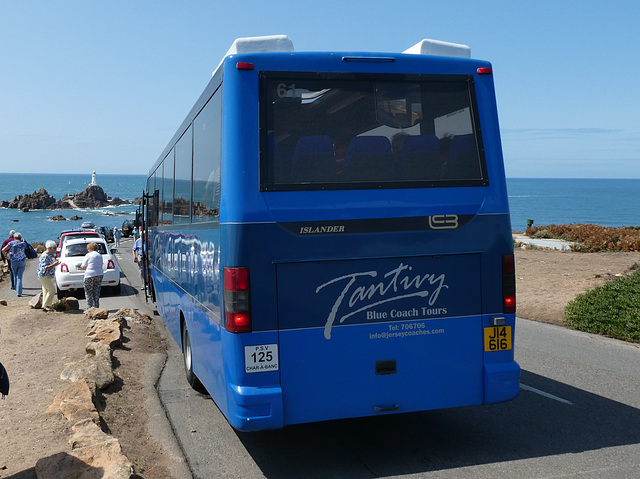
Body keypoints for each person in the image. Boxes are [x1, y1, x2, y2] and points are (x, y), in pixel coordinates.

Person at [77, 242, 104, 310]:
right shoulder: (100, 255)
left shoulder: (88, 255)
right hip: (99, 274)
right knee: (96, 291)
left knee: (89, 292)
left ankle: (90, 308)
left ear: (90, 248)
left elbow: (83, 266)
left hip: (90, 274)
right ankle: (96, 307)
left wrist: (80, 267)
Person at [2, 232, 28, 297]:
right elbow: (28, 248)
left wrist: (5, 256)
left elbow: (3, 250)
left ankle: (16, 289)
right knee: (19, 276)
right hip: (22, 261)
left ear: (14, 237)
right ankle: (19, 291)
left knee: (15, 274)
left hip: (13, 261)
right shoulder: (23, 244)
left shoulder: (11, 243)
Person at [37, 240, 60, 311]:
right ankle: (46, 305)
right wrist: (54, 264)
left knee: (46, 290)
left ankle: (45, 305)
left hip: (45, 276)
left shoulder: (47, 255)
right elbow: (45, 267)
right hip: (44, 275)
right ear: (50, 248)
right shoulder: (45, 256)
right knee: (51, 290)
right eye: (54, 248)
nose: (55, 250)